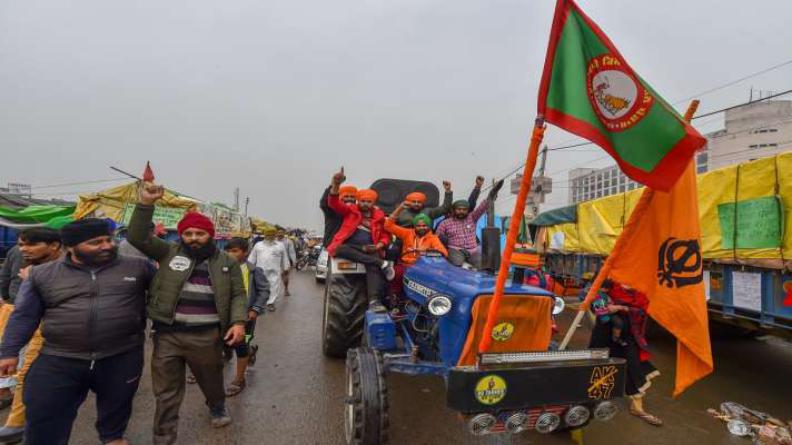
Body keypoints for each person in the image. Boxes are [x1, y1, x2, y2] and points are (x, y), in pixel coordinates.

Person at [0, 219, 154, 445]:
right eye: (95, 242)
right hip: (60, 357)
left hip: (121, 355)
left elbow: (165, 295)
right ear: (70, 246)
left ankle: (112, 437)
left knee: (118, 404)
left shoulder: (138, 267)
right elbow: (24, 315)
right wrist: (9, 351)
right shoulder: (42, 275)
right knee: (45, 413)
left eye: (108, 240)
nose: (106, 246)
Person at [128, 183, 247, 444]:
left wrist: (238, 322)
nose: (193, 238)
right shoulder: (168, 252)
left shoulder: (227, 262)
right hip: (168, 335)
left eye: (200, 233)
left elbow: (238, 294)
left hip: (206, 336)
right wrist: (146, 203)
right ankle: (163, 438)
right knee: (166, 393)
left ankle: (217, 405)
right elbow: (137, 236)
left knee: (212, 380)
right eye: (188, 233)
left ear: (211, 235)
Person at [0, 228, 63, 444]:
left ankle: (17, 422)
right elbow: (6, 277)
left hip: (44, 322)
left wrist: (33, 280)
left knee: (27, 372)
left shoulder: (66, 266)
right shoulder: (19, 256)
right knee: (10, 363)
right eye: (21, 244)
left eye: (30, 244)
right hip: (16, 312)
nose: (24, 249)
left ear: (55, 245)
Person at [589, 281, 663, 427]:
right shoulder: (611, 283)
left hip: (629, 336)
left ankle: (637, 407)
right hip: (604, 333)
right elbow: (593, 299)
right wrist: (606, 308)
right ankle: (591, 401)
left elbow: (644, 311)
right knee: (597, 363)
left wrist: (625, 309)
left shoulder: (641, 292)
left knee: (633, 368)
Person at [326, 168, 394, 313]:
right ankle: (382, 263)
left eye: (368, 202)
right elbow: (334, 203)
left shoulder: (380, 218)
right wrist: (335, 184)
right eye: (362, 201)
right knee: (338, 248)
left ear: (373, 202)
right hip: (351, 246)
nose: (365, 204)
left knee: (372, 267)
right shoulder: (351, 210)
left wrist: (378, 246)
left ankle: (375, 301)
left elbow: (386, 236)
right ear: (358, 201)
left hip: (371, 248)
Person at [223, 238, 268, 397]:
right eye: (228, 251)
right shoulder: (221, 268)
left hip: (247, 317)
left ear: (245, 253)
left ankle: (239, 379)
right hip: (225, 315)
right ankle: (248, 351)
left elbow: (264, 291)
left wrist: (255, 309)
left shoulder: (254, 270)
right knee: (223, 342)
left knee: (243, 343)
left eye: (235, 251)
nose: (230, 254)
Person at [435, 179, 504, 268]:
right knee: (456, 263)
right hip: (455, 249)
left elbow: (483, 206)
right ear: (454, 210)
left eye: (464, 210)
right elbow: (437, 236)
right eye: (459, 209)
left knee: (484, 264)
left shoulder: (472, 218)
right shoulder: (445, 223)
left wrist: (493, 192)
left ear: (467, 211)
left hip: (473, 250)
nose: (461, 212)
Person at [384, 204, 448, 298]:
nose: (422, 228)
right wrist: (400, 208)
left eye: (424, 225)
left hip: (424, 267)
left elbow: (443, 253)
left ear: (429, 226)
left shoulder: (433, 238)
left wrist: (424, 251)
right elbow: (388, 226)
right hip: (406, 265)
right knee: (395, 273)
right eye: (419, 226)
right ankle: (395, 298)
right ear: (414, 226)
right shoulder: (407, 233)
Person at [248, 228, 288, 312]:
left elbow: (284, 258)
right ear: (265, 236)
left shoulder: (280, 245)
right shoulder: (258, 245)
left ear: (275, 236)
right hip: (260, 271)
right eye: (268, 235)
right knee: (260, 287)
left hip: (274, 271)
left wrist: (285, 267)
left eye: (272, 235)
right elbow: (252, 258)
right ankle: (259, 303)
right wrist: (249, 267)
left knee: (274, 286)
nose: (270, 237)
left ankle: (270, 303)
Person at [278, 231, 297, 297]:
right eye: (278, 234)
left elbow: (292, 252)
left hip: (285, 261)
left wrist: (294, 261)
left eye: (281, 234)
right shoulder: (274, 241)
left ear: (283, 234)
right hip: (274, 262)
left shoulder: (288, 242)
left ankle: (286, 289)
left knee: (285, 276)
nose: (279, 236)